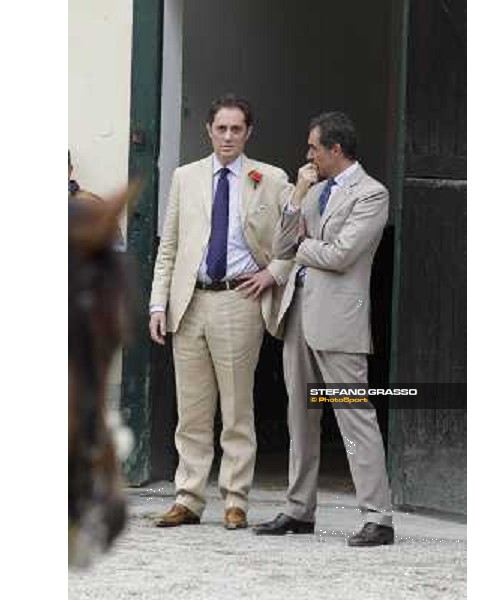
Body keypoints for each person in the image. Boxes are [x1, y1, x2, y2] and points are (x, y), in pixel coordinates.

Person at [149, 94, 293, 530]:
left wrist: (273, 272)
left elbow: (294, 234)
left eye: (236, 129)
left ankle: (235, 499)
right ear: (208, 130)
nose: (228, 136)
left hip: (239, 299)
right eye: (221, 128)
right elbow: (169, 246)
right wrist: (158, 303)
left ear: (248, 132)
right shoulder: (185, 177)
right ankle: (188, 498)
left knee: (236, 406)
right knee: (191, 411)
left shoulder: (269, 178)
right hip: (189, 300)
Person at [253, 112, 394, 547]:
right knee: (300, 417)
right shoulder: (312, 193)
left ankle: (379, 517)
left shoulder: (372, 193)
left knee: (355, 418)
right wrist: (296, 197)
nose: (308, 154)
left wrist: (302, 249)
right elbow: (281, 246)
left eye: (314, 147)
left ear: (336, 150)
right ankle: (299, 509)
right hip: (298, 316)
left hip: (339, 322)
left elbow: (341, 255)